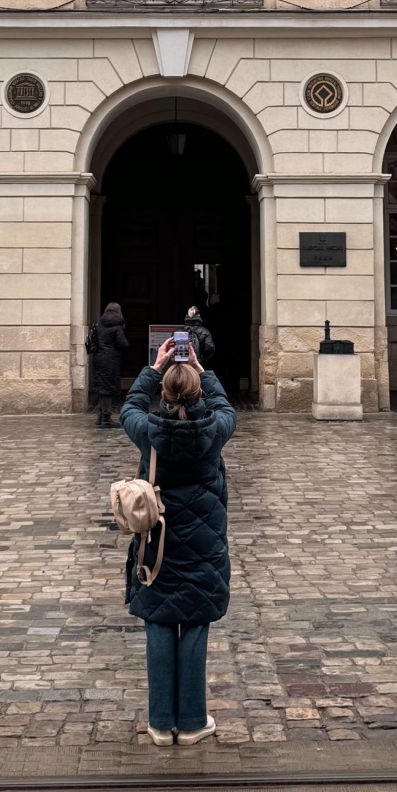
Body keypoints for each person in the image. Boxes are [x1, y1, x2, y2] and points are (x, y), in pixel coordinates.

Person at [119, 338, 237, 747]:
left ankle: (158, 721)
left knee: (160, 618)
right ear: (199, 390)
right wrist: (202, 370)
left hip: (159, 541)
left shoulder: (149, 431)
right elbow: (226, 407)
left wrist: (154, 367)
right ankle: (190, 722)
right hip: (203, 543)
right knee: (196, 620)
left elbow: (129, 407)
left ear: (165, 393)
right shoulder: (216, 429)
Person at [91, 301, 129, 427]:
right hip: (110, 360)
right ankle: (106, 418)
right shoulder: (117, 326)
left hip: (98, 358)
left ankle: (100, 416)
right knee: (108, 388)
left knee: (102, 387)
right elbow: (123, 344)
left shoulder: (99, 324)